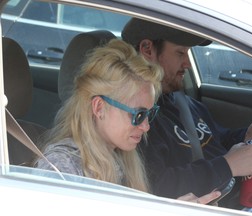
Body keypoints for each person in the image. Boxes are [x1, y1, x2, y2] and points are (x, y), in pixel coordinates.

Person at [34, 39, 221, 204]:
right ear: (99, 108)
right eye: (138, 115)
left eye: (150, 114)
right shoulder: (61, 167)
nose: (146, 126)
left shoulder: (122, 157)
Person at [121, 18, 252, 209]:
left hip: (238, 197)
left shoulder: (184, 102)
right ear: (148, 49)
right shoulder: (139, 122)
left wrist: (245, 137)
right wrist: (228, 165)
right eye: (180, 53)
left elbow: (213, 139)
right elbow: (157, 187)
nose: (187, 63)